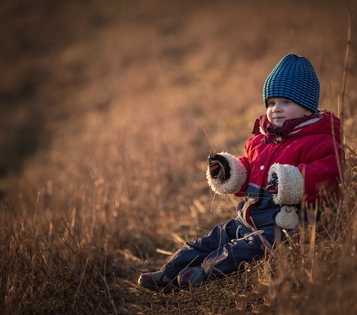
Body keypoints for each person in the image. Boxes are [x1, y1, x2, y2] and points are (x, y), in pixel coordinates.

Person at [138, 53, 344, 291]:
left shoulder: (320, 141)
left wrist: (291, 181)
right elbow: (248, 167)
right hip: (247, 218)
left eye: (286, 102)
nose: (276, 109)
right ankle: (167, 273)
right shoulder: (260, 141)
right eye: (271, 103)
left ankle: (202, 273)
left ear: (308, 107)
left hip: (284, 225)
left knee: (241, 250)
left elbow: (329, 175)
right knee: (210, 239)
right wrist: (230, 171)